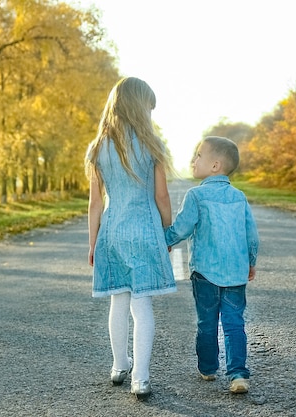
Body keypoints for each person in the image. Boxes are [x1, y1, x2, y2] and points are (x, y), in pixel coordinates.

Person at [85, 77, 176, 400]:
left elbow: (96, 203)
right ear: (140, 108)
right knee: (142, 306)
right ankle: (141, 377)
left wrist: (93, 242)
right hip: (144, 231)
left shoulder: (97, 148)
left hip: (112, 232)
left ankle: (119, 365)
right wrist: (168, 233)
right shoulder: (152, 146)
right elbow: (162, 197)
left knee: (117, 301)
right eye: (149, 109)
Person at [164, 136, 259, 394]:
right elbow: (251, 234)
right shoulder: (239, 197)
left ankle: (207, 368)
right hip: (236, 273)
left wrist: (164, 240)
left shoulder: (196, 195)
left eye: (198, 156)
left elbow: (182, 228)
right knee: (234, 323)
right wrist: (250, 262)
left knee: (207, 322)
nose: (193, 160)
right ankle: (238, 374)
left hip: (205, 273)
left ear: (215, 165)